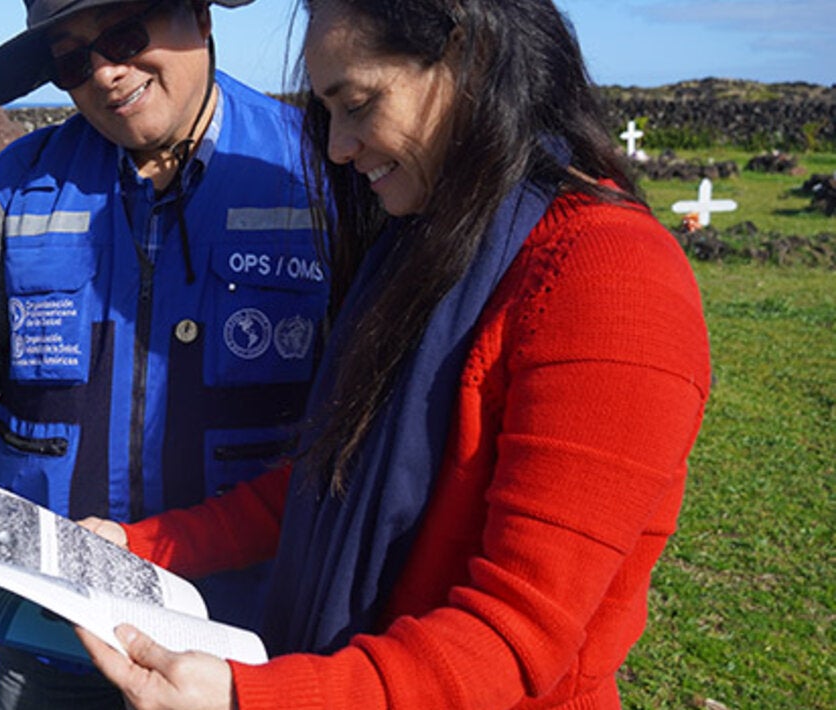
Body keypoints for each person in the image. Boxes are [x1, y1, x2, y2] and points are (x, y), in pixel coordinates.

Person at [71, 0, 713, 708]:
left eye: (358, 104)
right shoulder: (426, 246)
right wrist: (142, 548)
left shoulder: (609, 280)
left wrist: (246, 701)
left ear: (468, 60)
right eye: (327, 112)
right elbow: (332, 477)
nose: (339, 147)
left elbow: (513, 636)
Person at [0, 0, 328, 707]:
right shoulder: (18, 184)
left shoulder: (319, 171)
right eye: (73, 59)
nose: (107, 73)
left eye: (124, 33)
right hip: (56, 626)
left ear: (201, 17)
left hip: (251, 631)